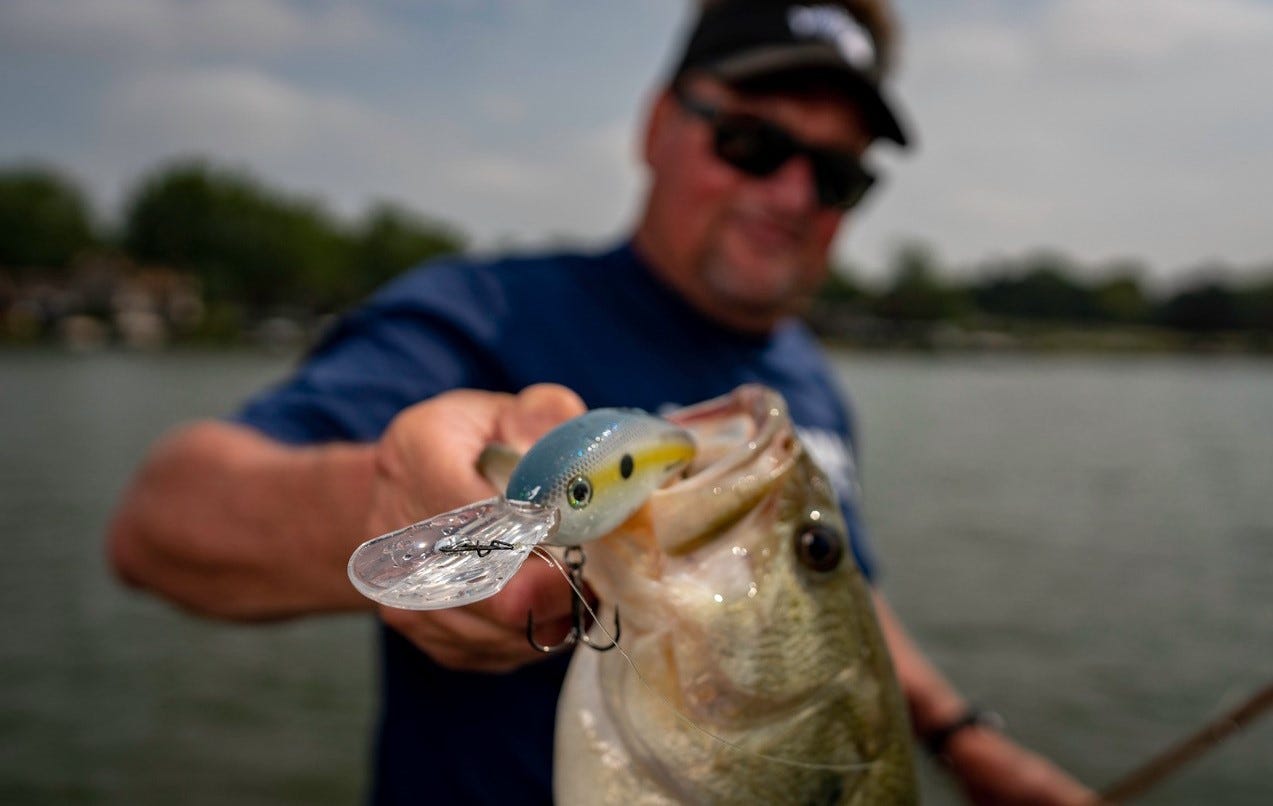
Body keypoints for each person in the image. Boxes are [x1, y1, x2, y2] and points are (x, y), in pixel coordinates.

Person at [107, 1, 1096, 803]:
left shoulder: (801, 382)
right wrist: (400, 511)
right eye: (752, 142)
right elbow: (160, 522)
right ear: (657, 126)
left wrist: (962, 737)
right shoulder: (485, 310)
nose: (793, 194)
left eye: (835, 175)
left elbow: (837, 592)